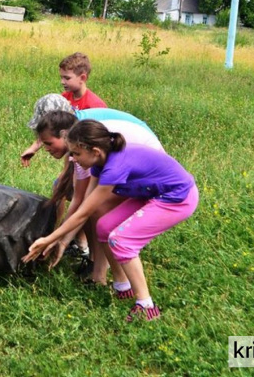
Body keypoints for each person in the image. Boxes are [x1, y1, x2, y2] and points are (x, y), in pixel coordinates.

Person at [23, 120, 198, 322]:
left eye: (77, 153)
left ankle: (146, 306)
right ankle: (123, 287)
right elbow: (87, 207)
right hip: (149, 193)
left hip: (177, 197)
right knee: (105, 226)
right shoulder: (99, 164)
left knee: (122, 240)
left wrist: (51, 238)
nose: (72, 158)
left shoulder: (114, 167)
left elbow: (82, 213)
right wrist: (57, 240)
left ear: (95, 151)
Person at [34, 108, 164, 295]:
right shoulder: (80, 153)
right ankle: (99, 271)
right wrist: (62, 241)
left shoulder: (85, 149)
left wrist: (58, 240)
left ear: (64, 136)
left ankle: (112, 278)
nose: (45, 149)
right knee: (93, 209)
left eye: (48, 143)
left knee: (98, 209)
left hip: (148, 172)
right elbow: (79, 200)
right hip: (126, 166)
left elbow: (85, 207)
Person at [20, 52, 106, 167]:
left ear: (82, 78)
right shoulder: (64, 98)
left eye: (67, 78)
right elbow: (51, 127)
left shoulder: (94, 105)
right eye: (61, 77)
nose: (62, 82)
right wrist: (34, 147)